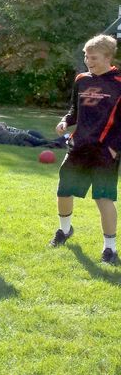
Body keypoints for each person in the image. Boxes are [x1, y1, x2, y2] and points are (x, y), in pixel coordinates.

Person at [50, 35, 121, 264]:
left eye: (93, 57)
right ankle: (64, 231)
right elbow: (74, 109)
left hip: (105, 151)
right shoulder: (81, 80)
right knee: (64, 191)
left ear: (108, 57)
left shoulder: (119, 82)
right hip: (79, 146)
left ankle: (110, 248)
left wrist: (114, 148)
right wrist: (65, 121)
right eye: (86, 56)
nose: (88, 61)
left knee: (103, 198)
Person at [0, 118, 65, 147]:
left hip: (16, 140)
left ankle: (57, 142)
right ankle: (56, 142)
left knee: (37, 145)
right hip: (22, 135)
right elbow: (3, 124)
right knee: (38, 143)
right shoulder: (0, 126)